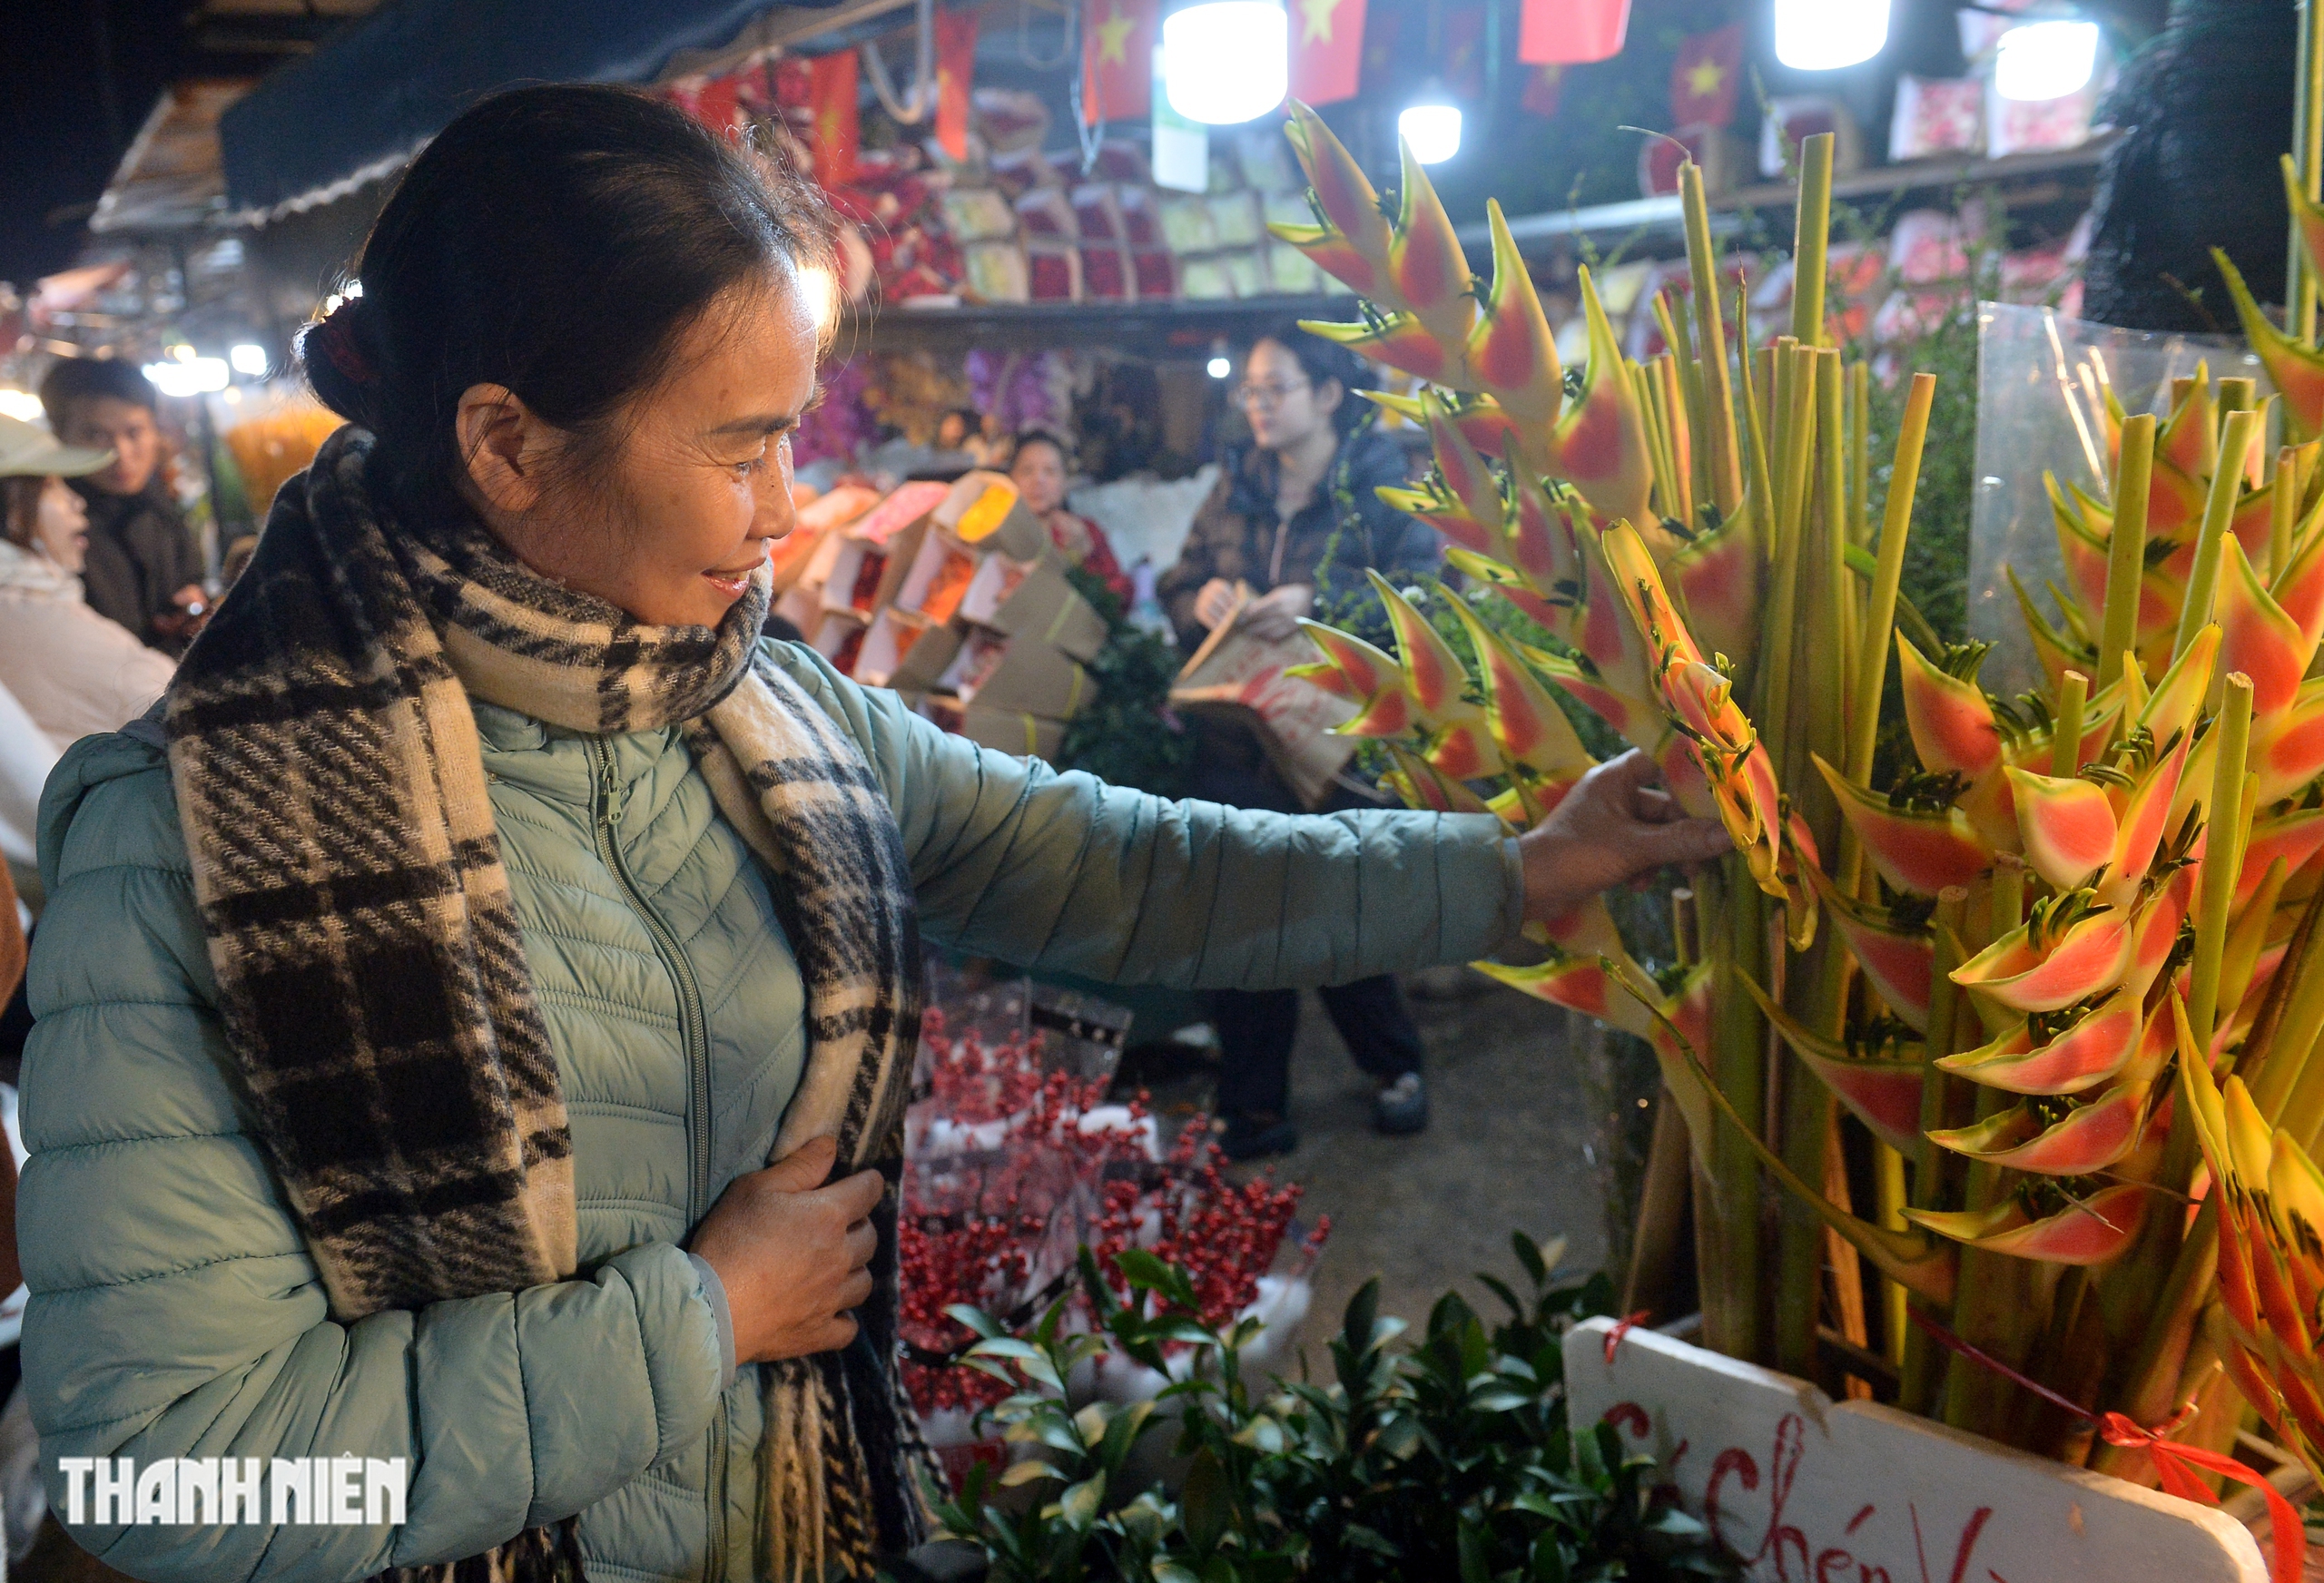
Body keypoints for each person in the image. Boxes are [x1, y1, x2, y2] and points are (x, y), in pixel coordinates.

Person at [18, 84, 1727, 1583]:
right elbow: (161, 1463)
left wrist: (1514, 863)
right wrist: (696, 1319)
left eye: (794, 439)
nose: (781, 512)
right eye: (741, 445)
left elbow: (1123, 870)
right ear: (506, 444)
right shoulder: (183, 845)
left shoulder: (765, 713)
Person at [1156, 326, 1453, 1159]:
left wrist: (1321, 604)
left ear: (1326, 395)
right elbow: (1176, 583)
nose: (1257, 406)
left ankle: (1395, 1065)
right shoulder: (1234, 484)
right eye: (1250, 390)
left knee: (1334, 908)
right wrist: (1201, 598)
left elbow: (1424, 593)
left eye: (1274, 388)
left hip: (1335, 744)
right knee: (1238, 915)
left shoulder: (1380, 486)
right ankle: (1253, 1106)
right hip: (1235, 740)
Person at [0, 415, 176, 753]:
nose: (76, 502)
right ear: (12, 511)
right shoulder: (33, 617)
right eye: (52, 486)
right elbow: (171, 700)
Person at [36, 359, 208, 655]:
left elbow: (192, 580)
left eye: (134, 432)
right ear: (60, 437)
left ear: (155, 430)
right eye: (96, 436)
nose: (121, 454)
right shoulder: (54, 525)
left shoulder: (161, 510)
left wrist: (191, 609)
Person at [1009, 428, 1133, 607]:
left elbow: (1121, 599)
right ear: (1011, 479)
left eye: (1050, 471)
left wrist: (1087, 556)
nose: (1038, 480)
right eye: (1027, 471)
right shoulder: (996, 533)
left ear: (1065, 481)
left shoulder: (1085, 531)